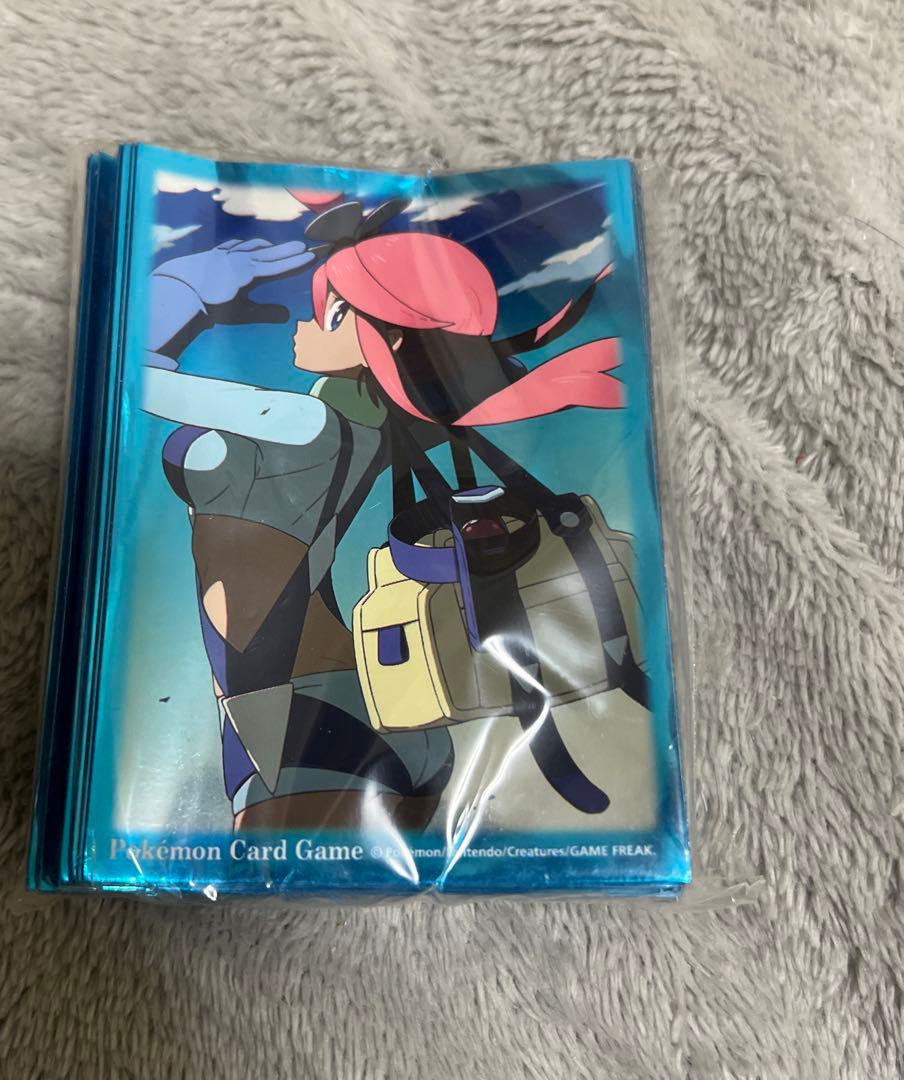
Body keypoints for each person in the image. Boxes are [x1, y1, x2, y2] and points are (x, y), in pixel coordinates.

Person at [141, 198, 621, 830]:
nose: (305, 324)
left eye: (334, 312)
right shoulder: (367, 424)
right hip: (370, 701)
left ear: (386, 337)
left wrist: (178, 292)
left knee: (278, 889)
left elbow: (133, 376)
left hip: (288, 722)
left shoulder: (301, 422)